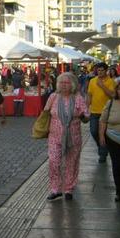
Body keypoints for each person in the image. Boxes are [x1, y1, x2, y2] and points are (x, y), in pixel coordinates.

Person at [45, 73, 89, 201]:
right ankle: (55, 189)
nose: (63, 85)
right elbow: (46, 113)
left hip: (73, 137)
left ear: (73, 84)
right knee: (54, 162)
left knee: (71, 163)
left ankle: (69, 188)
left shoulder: (78, 98)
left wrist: (82, 115)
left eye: (67, 83)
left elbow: (86, 117)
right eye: (61, 82)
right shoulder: (53, 97)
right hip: (54, 136)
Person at [87, 62, 116, 163]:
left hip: (106, 112)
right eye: (98, 70)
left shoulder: (111, 81)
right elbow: (89, 95)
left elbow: (112, 95)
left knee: (103, 133)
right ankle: (102, 147)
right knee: (94, 131)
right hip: (94, 111)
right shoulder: (92, 81)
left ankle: (102, 154)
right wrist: (86, 107)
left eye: (102, 70)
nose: (99, 72)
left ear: (106, 70)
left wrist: (102, 86)